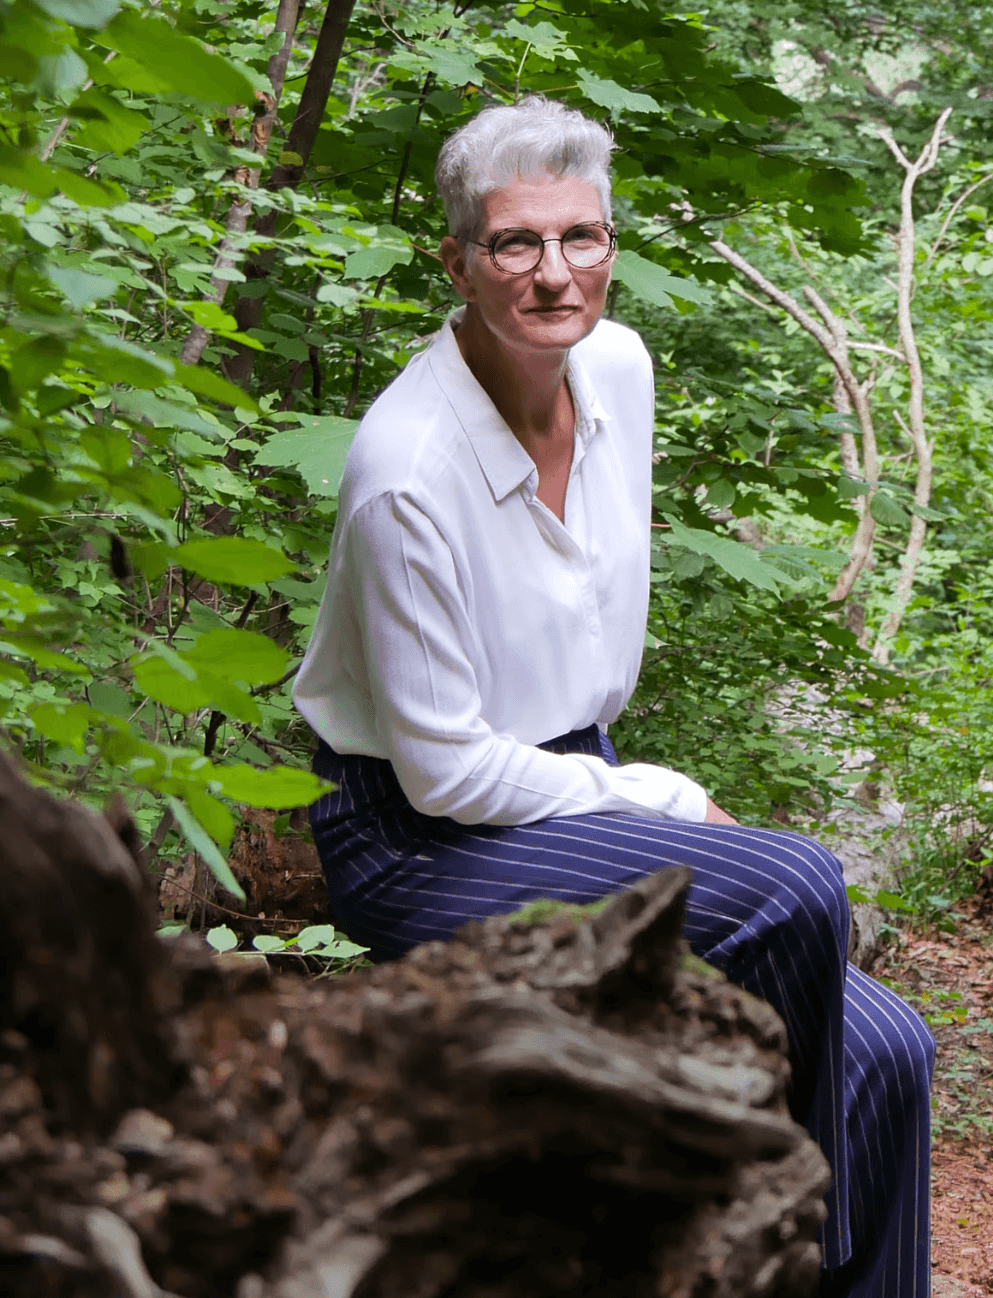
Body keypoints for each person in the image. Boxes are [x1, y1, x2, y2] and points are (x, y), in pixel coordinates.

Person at [292, 96, 934, 1298]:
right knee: (800, 879)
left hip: (566, 784)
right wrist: (667, 797)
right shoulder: (406, 471)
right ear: (459, 263)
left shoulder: (619, 370)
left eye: (580, 237)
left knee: (895, 1048)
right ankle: (782, 1255)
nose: (553, 274)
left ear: (610, 244)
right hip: (417, 836)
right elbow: (445, 772)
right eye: (515, 245)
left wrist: (627, 790)